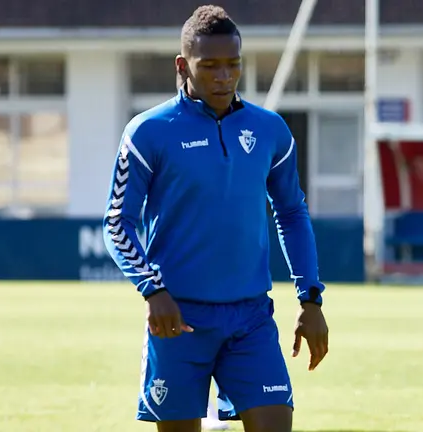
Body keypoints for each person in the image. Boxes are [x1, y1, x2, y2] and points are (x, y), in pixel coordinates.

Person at [102, 5, 329, 432]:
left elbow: (292, 213)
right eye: (210, 67)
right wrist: (153, 291)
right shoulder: (148, 132)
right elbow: (117, 221)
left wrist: (310, 299)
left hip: (251, 319)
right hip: (177, 320)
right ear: (183, 65)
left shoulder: (269, 130)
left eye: (233, 65)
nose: (223, 77)